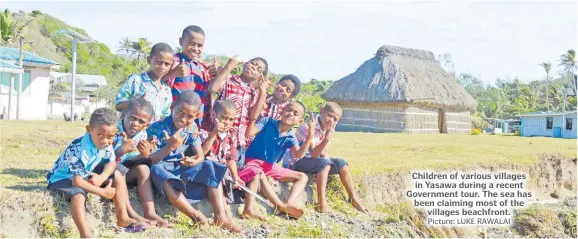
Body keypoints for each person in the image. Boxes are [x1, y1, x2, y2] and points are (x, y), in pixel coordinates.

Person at [146, 90, 241, 233]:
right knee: (156, 170)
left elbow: (201, 155)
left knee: (211, 165)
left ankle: (220, 217)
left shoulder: (192, 128)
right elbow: (150, 160)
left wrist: (194, 161)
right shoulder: (156, 129)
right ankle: (195, 215)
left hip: (181, 168)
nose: (183, 119)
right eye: (180, 113)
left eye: (190, 116)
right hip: (163, 170)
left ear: (196, 116)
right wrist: (169, 147)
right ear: (172, 107)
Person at [46, 108, 148, 238]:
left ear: (115, 133)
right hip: (63, 178)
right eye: (100, 135)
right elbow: (77, 181)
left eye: (110, 137)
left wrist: (102, 177)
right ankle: (85, 234)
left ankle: (122, 217)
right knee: (77, 193)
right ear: (89, 130)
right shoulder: (80, 149)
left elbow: (111, 162)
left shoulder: (107, 141)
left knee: (118, 171)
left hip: (85, 172)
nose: (105, 141)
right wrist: (102, 192)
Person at [283, 102, 368, 213]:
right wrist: (326, 140)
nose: (331, 120)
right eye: (330, 115)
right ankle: (321, 202)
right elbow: (313, 153)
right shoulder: (309, 127)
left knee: (340, 163)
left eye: (335, 119)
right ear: (322, 111)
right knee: (324, 163)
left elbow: (323, 152)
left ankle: (353, 198)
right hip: (296, 161)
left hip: (313, 161)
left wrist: (330, 162)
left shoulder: (327, 129)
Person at [237, 101, 314, 220]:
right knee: (258, 173)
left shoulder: (290, 137)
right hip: (252, 162)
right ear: (282, 111)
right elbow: (249, 133)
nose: (290, 114)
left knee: (302, 177)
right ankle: (271, 207)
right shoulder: (267, 122)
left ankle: (290, 203)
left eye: (295, 113)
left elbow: (298, 155)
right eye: (288, 110)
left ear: (299, 121)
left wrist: (309, 137)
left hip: (269, 167)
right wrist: (254, 117)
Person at [113, 98, 170, 227]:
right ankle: (131, 214)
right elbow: (103, 158)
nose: (135, 123)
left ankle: (150, 212)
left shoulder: (142, 135)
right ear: (123, 115)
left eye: (141, 122)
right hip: (106, 171)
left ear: (147, 125)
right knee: (119, 170)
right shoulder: (113, 129)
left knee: (143, 168)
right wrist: (121, 150)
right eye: (132, 118)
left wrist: (142, 155)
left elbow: (130, 160)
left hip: (123, 170)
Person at [207, 56, 270, 167]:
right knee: (213, 168)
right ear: (245, 64)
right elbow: (212, 89)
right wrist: (228, 67)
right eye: (253, 63)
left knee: (232, 177)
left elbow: (253, 117)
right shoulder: (228, 80)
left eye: (258, 69)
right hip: (219, 136)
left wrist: (262, 93)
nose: (253, 67)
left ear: (260, 77)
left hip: (238, 143)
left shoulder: (253, 93)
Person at [162, 25, 219, 126]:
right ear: (181, 41)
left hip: (198, 122)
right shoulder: (172, 62)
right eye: (191, 43)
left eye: (199, 45)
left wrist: (217, 73)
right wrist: (173, 73)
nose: (195, 48)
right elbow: (156, 81)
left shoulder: (203, 68)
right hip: (175, 120)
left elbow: (211, 90)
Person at [116, 43, 174, 122]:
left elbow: (165, 117)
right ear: (149, 60)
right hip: (129, 132)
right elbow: (118, 105)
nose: (162, 67)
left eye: (167, 64)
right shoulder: (136, 80)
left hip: (152, 133)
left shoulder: (166, 90)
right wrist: (134, 102)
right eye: (159, 62)